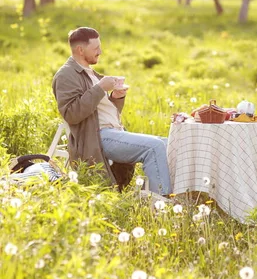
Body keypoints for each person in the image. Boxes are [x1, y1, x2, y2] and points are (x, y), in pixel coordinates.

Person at [52, 27, 171, 196]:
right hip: (95, 138)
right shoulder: (66, 75)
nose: (100, 52)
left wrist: (116, 97)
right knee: (154, 147)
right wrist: (100, 88)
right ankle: (161, 202)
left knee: (168, 143)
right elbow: (72, 114)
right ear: (80, 50)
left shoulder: (90, 73)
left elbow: (104, 111)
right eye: (95, 48)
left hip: (113, 132)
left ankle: (180, 194)